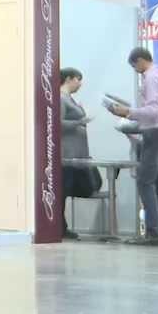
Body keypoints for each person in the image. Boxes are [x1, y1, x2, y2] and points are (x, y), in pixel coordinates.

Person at [107, 47, 158, 245]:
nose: (136, 71)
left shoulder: (150, 79)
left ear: (139, 61)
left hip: (154, 134)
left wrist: (127, 112)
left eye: (134, 66)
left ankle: (153, 233)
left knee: (145, 182)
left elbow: (153, 111)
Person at [59, 68, 93, 241]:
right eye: (78, 79)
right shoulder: (61, 99)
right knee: (63, 190)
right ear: (68, 79)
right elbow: (58, 123)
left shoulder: (70, 99)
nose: (80, 84)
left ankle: (61, 226)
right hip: (68, 154)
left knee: (68, 189)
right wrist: (79, 122)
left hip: (77, 154)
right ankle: (60, 227)